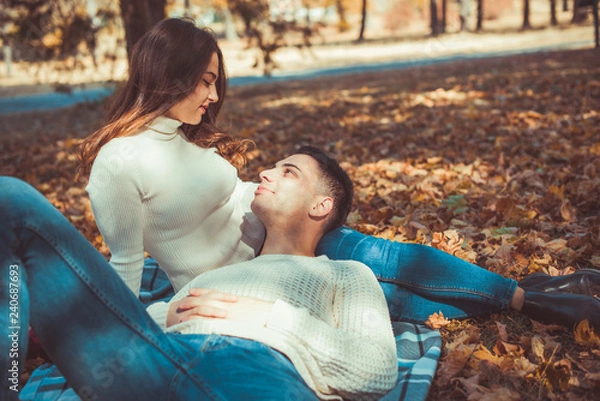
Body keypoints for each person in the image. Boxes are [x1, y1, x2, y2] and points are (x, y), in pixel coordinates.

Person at [79, 17, 600, 331]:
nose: (214, 96)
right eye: (206, 81)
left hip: (287, 233)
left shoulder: (184, 131)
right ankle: (536, 301)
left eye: (215, 82)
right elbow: (122, 264)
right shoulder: (119, 163)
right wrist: (119, 342)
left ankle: (532, 294)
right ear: (171, 73)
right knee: (387, 293)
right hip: (251, 278)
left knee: (392, 259)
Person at [0, 147, 398, 401]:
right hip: (148, 361)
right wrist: (166, 315)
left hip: (253, 370)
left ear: (321, 205)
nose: (266, 174)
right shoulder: (216, 275)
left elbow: (375, 369)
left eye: (288, 172)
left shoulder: (347, 274)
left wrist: (265, 317)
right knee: (11, 199)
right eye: (273, 167)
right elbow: (147, 319)